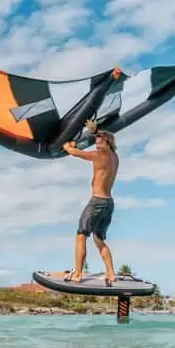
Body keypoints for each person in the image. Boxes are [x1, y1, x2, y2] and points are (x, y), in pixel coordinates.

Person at [61, 121, 119, 285]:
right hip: (109, 204)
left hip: (97, 202)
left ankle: (78, 274)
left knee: (81, 235)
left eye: (100, 143)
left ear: (108, 143)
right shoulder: (115, 157)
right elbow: (104, 140)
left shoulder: (98, 156)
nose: (97, 146)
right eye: (96, 143)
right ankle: (111, 274)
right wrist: (95, 132)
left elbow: (74, 152)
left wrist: (67, 146)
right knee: (99, 239)